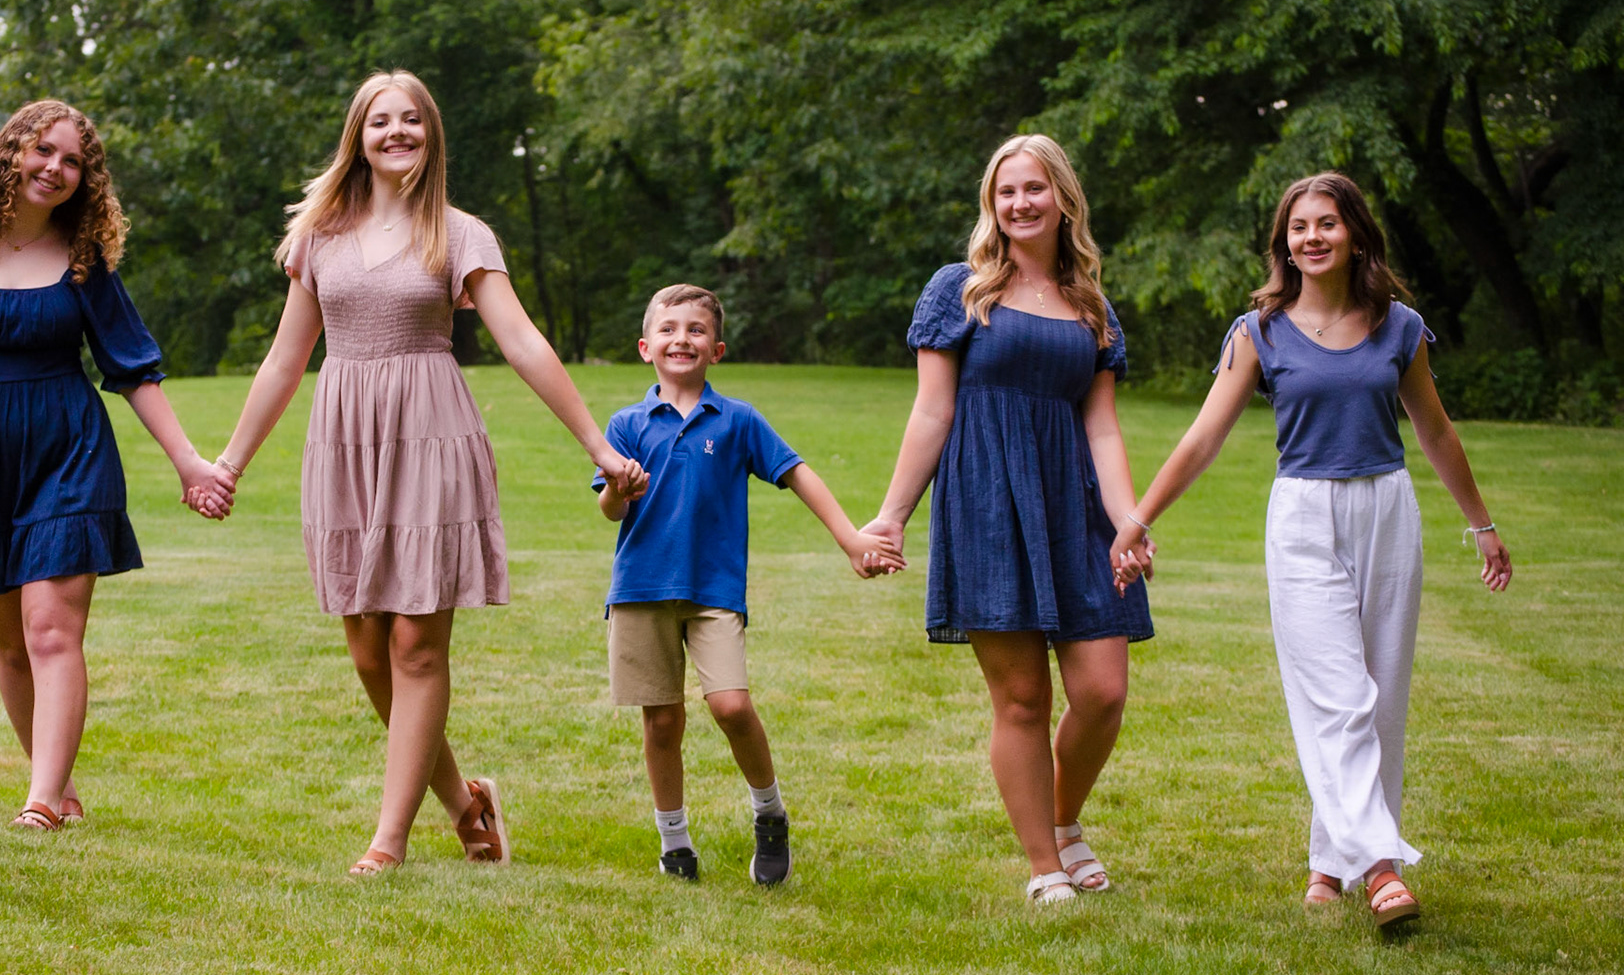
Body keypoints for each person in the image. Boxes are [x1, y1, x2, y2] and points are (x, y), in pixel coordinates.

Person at [209, 70, 645, 876]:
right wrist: (228, 462)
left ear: (432, 134)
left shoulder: (460, 234)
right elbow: (284, 360)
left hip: (430, 437)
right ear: (359, 138)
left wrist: (598, 444)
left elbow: (522, 340)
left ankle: (389, 839)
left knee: (415, 646)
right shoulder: (319, 237)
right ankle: (465, 801)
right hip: (346, 444)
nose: (397, 132)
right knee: (369, 653)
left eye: (412, 119)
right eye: (381, 121)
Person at [1109, 171, 1511, 932]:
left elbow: (1434, 428)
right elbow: (1204, 437)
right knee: (1338, 694)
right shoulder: (1258, 332)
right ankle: (1381, 868)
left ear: (1355, 234)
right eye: (1299, 227)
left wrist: (1481, 524)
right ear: (1284, 244)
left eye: (1327, 222)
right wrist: (1138, 517)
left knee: (1380, 696)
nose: (1313, 236)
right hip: (1302, 518)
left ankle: (1331, 859)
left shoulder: (1398, 326)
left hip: (1386, 509)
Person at [0, 99, 234, 833]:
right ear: (10, 153)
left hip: (69, 451)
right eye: (43, 150)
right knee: (12, 643)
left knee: (51, 629)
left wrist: (188, 462)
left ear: (88, 178)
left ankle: (42, 802)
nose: (55, 168)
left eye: (74, 161)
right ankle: (60, 784)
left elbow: (132, 367)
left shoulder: (83, 262)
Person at [864, 134, 1153, 905]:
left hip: (1075, 505)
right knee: (1022, 698)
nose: (1020, 203)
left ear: (1063, 198)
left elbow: (1103, 428)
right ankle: (1044, 864)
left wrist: (1129, 519)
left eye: (1034, 188)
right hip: (989, 500)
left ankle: (1063, 818)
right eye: (1006, 191)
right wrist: (892, 515)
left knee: (1102, 690)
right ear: (992, 204)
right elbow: (932, 411)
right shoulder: (959, 290)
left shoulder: (1091, 305)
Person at [593, 285, 903, 885]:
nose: (681, 339)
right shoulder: (625, 424)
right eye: (668, 329)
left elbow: (798, 473)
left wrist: (850, 539)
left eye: (696, 330)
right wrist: (617, 488)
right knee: (662, 722)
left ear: (717, 349)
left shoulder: (738, 420)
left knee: (731, 706)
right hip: (640, 590)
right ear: (645, 347)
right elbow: (609, 511)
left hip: (713, 590)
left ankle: (769, 814)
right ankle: (675, 844)